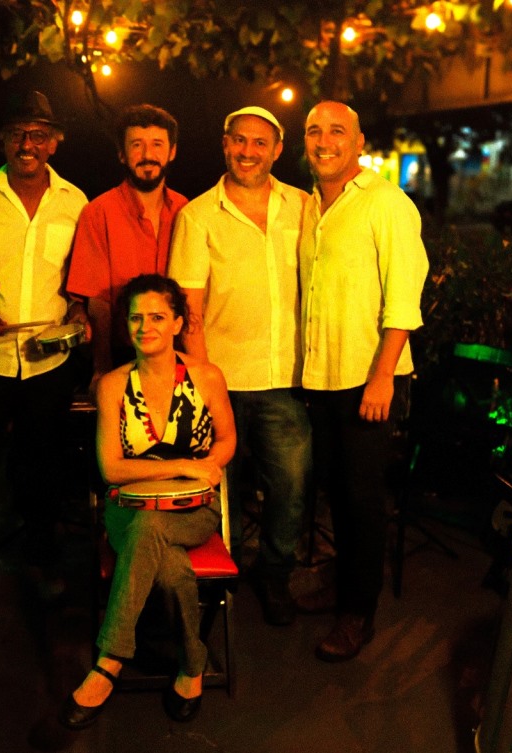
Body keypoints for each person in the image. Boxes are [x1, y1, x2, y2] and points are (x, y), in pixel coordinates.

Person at [59, 274, 236, 730]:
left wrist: (207, 468)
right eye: (136, 318)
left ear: (177, 323)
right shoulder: (113, 385)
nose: (145, 327)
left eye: (157, 317)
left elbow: (227, 439)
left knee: (153, 529)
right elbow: (111, 469)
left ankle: (108, 662)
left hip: (192, 512)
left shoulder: (207, 376)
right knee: (162, 551)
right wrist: (182, 467)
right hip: (128, 510)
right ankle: (192, 662)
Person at [167, 106, 311, 626]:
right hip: (222, 378)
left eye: (260, 143)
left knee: (290, 487)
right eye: (240, 141)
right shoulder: (198, 216)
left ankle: (274, 575)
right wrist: (202, 381)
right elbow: (190, 309)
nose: (249, 151)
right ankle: (213, 580)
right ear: (225, 144)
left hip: (285, 378)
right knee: (216, 489)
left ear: (277, 150)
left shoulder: (303, 207)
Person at [0, 90, 88, 608]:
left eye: (38, 135)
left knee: (42, 467)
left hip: (48, 361)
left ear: (55, 142)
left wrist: (78, 312)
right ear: (2, 141)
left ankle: (40, 559)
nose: (27, 145)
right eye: (16, 134)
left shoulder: (76, 202)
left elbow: (80, 277)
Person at [300, 101, 429, 661]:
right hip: (325, 375)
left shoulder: (386, 202)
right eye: (314, 131)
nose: (324, 140)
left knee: (363, 497)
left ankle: (359, 612)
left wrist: (381, 379)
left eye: (337, 131)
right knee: (336, 492)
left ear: (358, 143)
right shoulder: (311, 205)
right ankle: (343, 582)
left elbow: (404, 297)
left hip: (368, 377)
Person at [66, 104, 187, 379]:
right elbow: (98, 302)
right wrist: (102, 368)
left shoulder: (186, 210)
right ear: (122, 154)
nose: (147, 155)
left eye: (157, 144)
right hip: (121, 354)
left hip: (176, 355)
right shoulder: (98, 212)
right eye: (136, 145)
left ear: (172, 151)